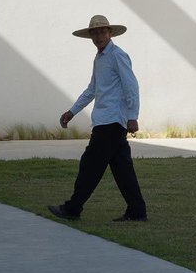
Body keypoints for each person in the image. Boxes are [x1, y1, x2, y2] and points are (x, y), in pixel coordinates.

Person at [48, 14, 148, 223]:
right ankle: (137, 211)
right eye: (95, 32)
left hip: (112, 122)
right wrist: (72, 111)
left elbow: (132, 86)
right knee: (122, 169)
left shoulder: (117, 55)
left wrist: (133, 116)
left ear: (110, 33)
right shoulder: (100, 58)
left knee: (90, 166)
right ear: (91, 36)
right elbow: (93, 89)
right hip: (105, 120)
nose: (98, 36)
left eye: (102, 31)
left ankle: (73, 208)